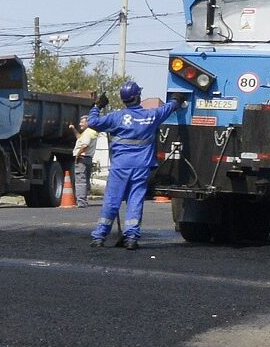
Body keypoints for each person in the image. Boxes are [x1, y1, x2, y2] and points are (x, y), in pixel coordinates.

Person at [85, 81, 185, 251]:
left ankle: (100, 236)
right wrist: (177, 100)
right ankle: (131, 237)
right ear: (138, 97)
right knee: (135, 200)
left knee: (112, 201)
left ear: (123, 100)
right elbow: (168, 108)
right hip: (141, 167)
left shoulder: (116, 117)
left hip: (120, 167)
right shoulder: (151, 115)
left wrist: (97, 105)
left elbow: (92, 122)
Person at [68, 113, 100, 208]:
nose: (80, 124)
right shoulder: (91, 132)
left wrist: (78, 155)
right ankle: (84, 200)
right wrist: (73, 129)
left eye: (82, 122)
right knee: (85, 180)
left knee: (80, 180)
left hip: (82, 158)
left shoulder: (88, 133)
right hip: (88, 159)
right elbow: (79, 138)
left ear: (88, 123)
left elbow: (85, 145)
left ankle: (81, 202)